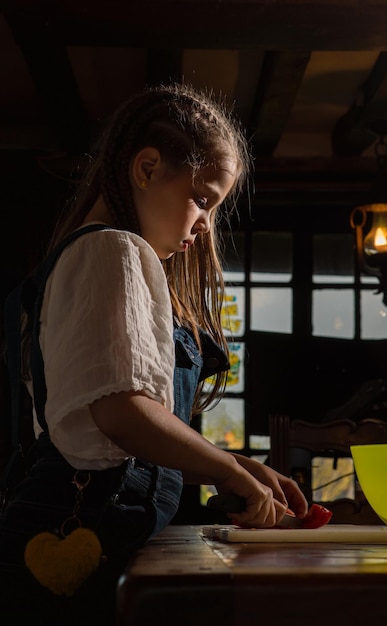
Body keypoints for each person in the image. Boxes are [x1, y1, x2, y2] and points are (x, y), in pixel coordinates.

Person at [0, 82, 308, 625]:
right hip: (72, 531)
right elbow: (120, 413)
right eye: (205, 199)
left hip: (98, 534)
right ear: (146, 168)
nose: (206, 224)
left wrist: (235, 467)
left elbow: (119, 443)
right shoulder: (110, 249)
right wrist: (228, 471)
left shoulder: (104, 255)